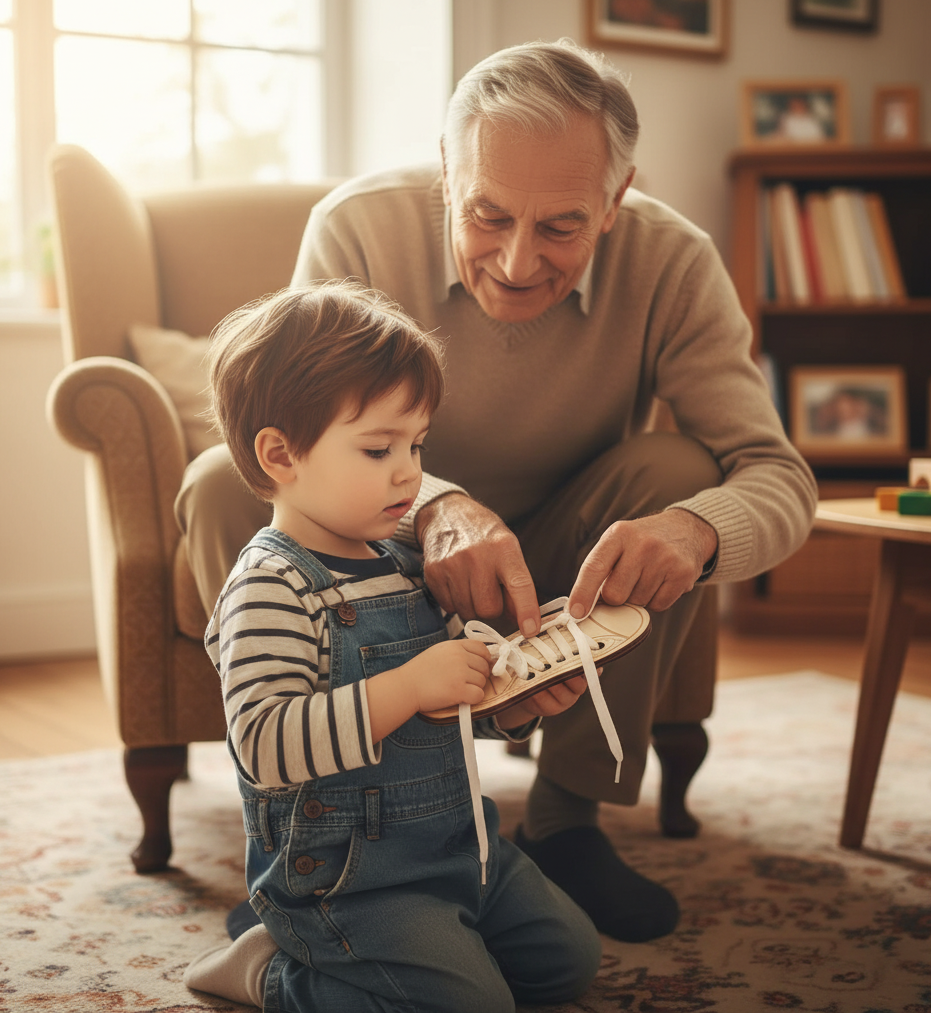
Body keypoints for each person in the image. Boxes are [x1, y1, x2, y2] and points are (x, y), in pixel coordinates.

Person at [176, 38, 817, 943]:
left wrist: (693, 531)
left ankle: (565, 820)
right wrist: (436, 500)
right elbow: (292, 437)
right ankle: (304, 845)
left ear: (617, 198)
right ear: (447, 172)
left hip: (561, 563)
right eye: (486, 215)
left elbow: (776, 473)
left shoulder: (674, 260)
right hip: (377, 549)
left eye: (562, 225)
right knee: (217, 483)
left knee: (679, 475)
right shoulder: (356, 225)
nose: (517, 263)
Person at [183, 280, 604, 1011]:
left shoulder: (405, 560)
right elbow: (266, 745)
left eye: (417, 443)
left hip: (457, 850)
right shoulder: (271, 586)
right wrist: (409, 684)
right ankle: (274, 971)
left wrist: (510, 706)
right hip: (348, 879)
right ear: (280, 454)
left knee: (567, 961)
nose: (411, 470)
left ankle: (432, 945)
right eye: (379, 447)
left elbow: (448, 709)